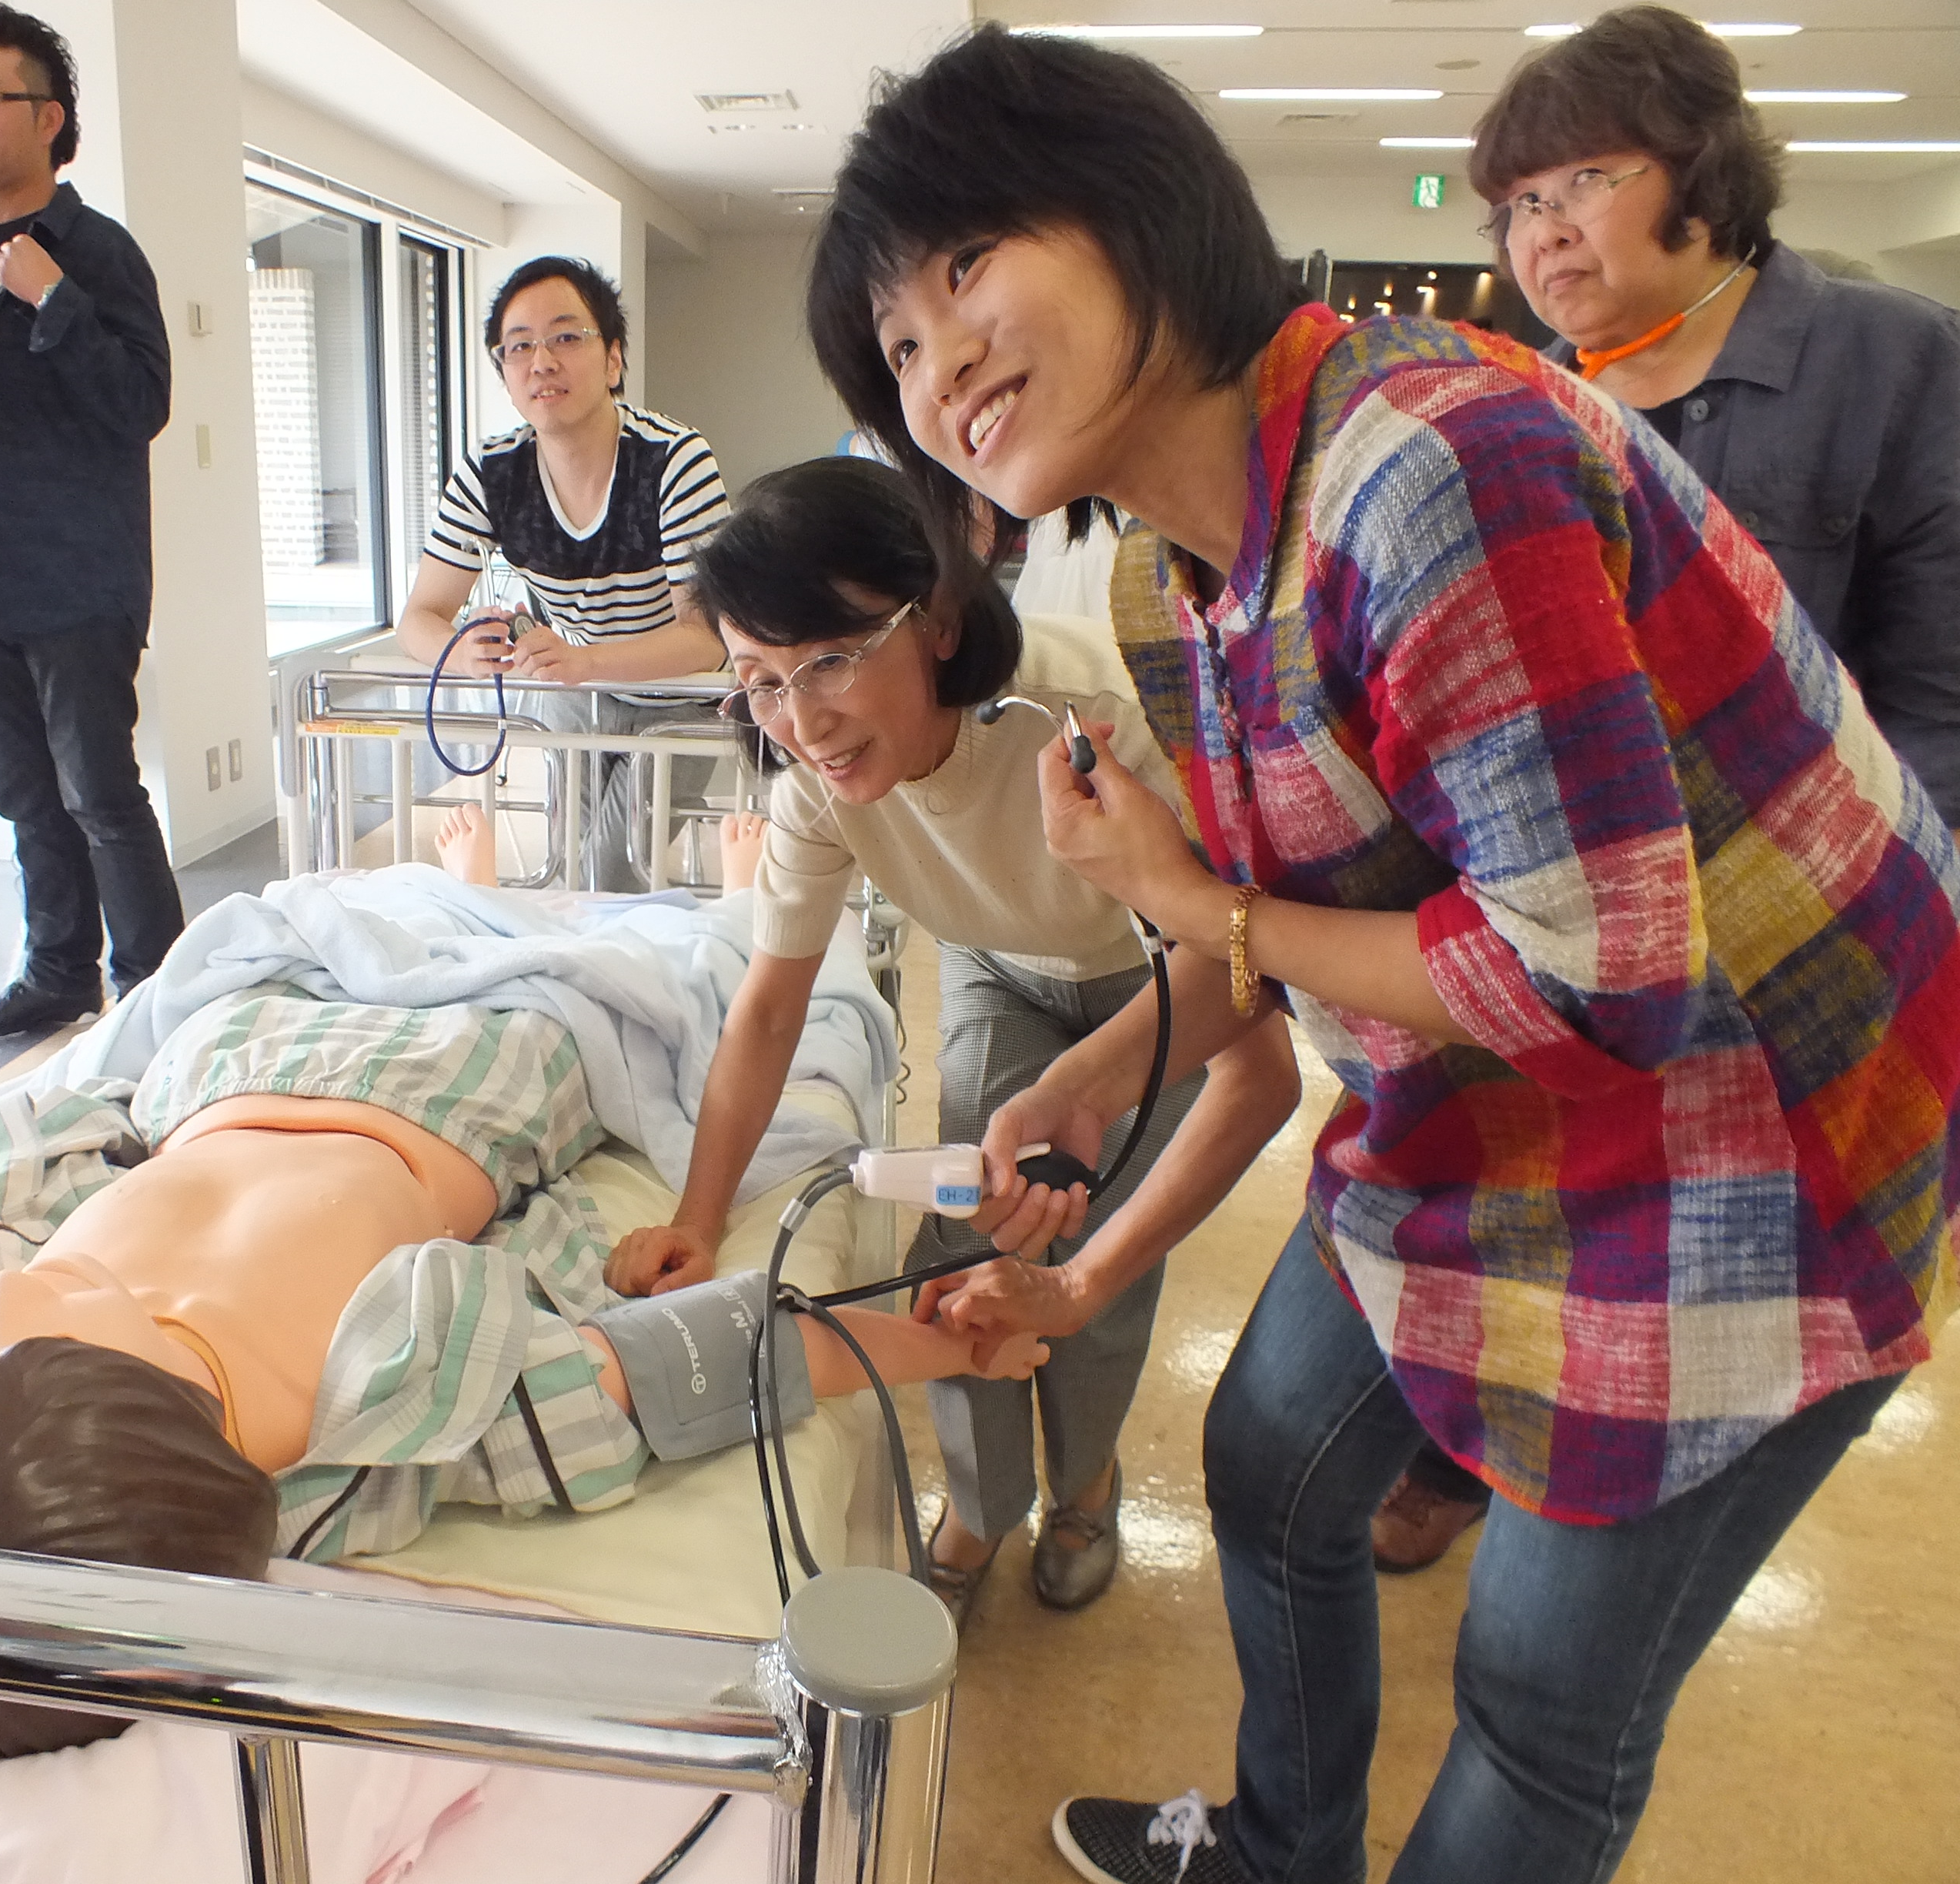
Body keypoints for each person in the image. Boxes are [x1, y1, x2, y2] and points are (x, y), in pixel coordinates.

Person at [806, 25, 1957, 1884]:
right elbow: (1293, 937)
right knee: (1270, 1455)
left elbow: (1594, 974)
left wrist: (1183, 900)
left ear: (1134, 208)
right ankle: (1284, 1848)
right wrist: (1096, 1074)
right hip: (1494, 1091)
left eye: (964, 268)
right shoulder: (1171, 575)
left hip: (1756, 1123)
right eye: (897, 347)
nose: (938, 367)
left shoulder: (1431, 463)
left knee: (1537, 1694)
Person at [0, 980, 1045, 1758]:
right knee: (574, 975)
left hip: (223, 1056)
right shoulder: (368, 1415)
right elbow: (681, 1364)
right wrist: (951, 1342)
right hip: (454, 1087)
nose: (7, 1291)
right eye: (39, 1328)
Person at [1366, 1, 1960, 1575]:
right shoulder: (1527, 397)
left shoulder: (1889, 357)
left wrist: (1876, 939)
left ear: (1700, 170)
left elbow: (1935, 696)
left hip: (1801, 936)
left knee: (1709, 1320)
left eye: (1583, 181)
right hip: (1578, 930)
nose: (1542, 230)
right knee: (1519, 1214)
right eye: (1517, 203)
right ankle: (1461, 1453)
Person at [605, 457, 1301, 1625]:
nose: (805, 721)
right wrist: (696, 1216)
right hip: (999, 966)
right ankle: (981, 1506)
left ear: (934, 619)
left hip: (1158, 979)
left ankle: (1085, 1486)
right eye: (761, 681)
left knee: (1094, 1263)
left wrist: (1091, 1088)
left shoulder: (1100, 720)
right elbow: (768, 1009)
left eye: (832, 658)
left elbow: (1249, 1005)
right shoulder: (813, 781)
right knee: (960, 1249)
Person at [0, 1, 183, 1041]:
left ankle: (158, 996)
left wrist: (58, 300)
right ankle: (59, 970)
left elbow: (141, 405)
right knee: (23, 798)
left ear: (49, 118)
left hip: (74, 578)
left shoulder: (98, 251)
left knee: (100, 793)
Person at [392, 257, 730, 892]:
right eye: (519, 346)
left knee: (610, 873)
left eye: (566, 337)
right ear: (504, 373)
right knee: (572, 869)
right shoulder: (491, 473)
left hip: (681, 695)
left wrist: (585, 661)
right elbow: (418, 619)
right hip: (577, 693)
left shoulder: (674, 461)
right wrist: (462, 652)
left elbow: (707, 638)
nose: (541, 362)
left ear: (613, 360)